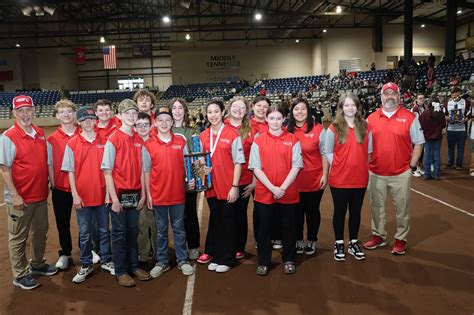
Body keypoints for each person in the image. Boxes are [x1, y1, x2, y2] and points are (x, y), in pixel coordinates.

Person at [0, 95, 58, 290]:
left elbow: (44, 163)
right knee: (18, 237)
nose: (25, 114)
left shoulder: (40, 133)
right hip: (20, 198)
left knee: (40, 232)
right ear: (14, 113)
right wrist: (15, 195)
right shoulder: (8, 136)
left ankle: (38, 264)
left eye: (28, 109)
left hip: (40, 195)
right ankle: (20, 274)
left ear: (34, 110)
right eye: (20, 111)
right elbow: (4, 169)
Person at [363, 83, 425, 255]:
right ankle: (379, 236)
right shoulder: (371, 118)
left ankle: (400, 239)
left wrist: (411, 166)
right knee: (376, 207)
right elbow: (364, 146)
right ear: (381, 97)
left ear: (399, 96)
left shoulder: (410, 117)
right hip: (376, 172)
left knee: (402, 208)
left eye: (393, 94)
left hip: (400, 173)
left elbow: (419, 143)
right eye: (386, 94)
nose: (390, 96)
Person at [101, 99, 151, 287]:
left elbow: (142, 170)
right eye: (127, 113)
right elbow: (107, 171)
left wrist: (144, 195)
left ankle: (134, 266)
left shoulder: (139, 140)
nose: (131, 116)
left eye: (134, 113)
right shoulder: (113, 139)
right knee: (119, 234)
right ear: (119, 116)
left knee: (133, 232)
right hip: (118, 196)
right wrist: (114, 199)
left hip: (135, 194)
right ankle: (121, 270)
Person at [61, 106, 115, 283]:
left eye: (92, 119)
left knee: (103, 231)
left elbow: (109, 170)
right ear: (79, 122)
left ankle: (106, 260)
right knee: (84, 234)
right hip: (83, 197)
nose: (89, 123)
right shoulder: (72, 143)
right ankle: (85, 264)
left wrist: (108, 193)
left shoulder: (105, 141)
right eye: (85, 120)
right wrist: (75, 195)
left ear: (96, 121)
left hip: (101, 196)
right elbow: (70, 171)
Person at [249, 105, 303, 276]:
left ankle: (289, 259)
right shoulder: (258, 141)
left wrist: (282, 188)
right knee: (264, 229)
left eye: (278, 118)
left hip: (288, 194)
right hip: (265, 194)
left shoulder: (293, 140)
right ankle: (264, 261)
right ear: (266, 119)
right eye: (271, 118)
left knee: (288, 228)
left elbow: (296, 166)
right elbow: (256, 168)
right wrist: (272, 188)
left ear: (284, 119)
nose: (275, 121)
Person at [143, 111, 194, 277]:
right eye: (160, 120)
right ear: (155, 123)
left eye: (167, 120)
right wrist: (149, 195)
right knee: (161, 230)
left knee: (179, 229)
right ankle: (162, 261)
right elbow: (146, 171)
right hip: (158, 196)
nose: (164, 123)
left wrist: (190, 180)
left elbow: (188, 165)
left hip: (178, 194)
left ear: (172, 122)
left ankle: (182, 260)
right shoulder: (149, 144)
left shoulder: (180, 141)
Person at [197, 99, 245, 273]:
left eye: (216, 111)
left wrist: (234, 186)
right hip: (212, 187)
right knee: (217, 221)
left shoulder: (232, 134)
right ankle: (217, 256)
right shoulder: (203, 135)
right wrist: (204, 168)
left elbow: (239, 162)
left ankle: (228, 258)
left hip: (228, 186)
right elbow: (201, 161)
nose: (213, 115)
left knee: (228, 222)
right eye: (209, 112)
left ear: (222, 112)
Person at [324, 93, 371, 261]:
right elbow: (328, 151)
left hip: (360, 179)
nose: (350, 108)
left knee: (356, 212)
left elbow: (369, 151)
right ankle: (338, 243)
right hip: (339, 180)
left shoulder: (365, 126)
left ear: (358, 107)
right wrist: (338, 165)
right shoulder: (333, 128)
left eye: (353, 105)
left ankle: (352, 242)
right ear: (341, 108)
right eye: (346, 105)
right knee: (340, 212)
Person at [287, 97, 327, 256]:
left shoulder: (318, 129)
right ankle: (298, 239)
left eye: (303, 109)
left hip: (314, 178)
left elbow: (324, 153)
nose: (300, 112)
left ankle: (311, 239)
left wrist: (325, 174)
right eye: (296, 109)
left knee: (312, 211)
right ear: (292, 112)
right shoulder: (286, 130)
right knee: (295, 212)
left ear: (308, 111)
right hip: (293, 181)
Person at [47, 100, 80, 270]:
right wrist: (54, 184)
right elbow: (50, 164)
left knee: (86, 222)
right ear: (57, 115)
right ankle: (66, 253)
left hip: (82, 188)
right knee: (62, 222)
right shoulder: (51, 139)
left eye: (69, 111)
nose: (66, 114)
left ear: (74, 114)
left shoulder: (83, 133)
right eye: (62, 112)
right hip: (60, 188)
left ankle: (87, 248)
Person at [169, 98, 201, 260]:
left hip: (188, 179)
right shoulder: (164, 128)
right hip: (169, 179)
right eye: (174, 108)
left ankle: (193, 245)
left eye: (180, 108)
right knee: (173, 216)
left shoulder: (192, 130)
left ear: (185, 110)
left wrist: (197, 163)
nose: (177, 111)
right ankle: (177, 247)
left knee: (190, 213)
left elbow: (198, 154)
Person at [224, 96, 256, 259]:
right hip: (223, 179)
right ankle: (226, 244)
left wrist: (254, 182)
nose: (238, 109)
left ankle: (239, 246)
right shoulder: (221, 126)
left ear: (246, 111)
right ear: (229, 108)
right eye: (235, 106)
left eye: (241, 107)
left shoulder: (251, 129)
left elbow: (258, 157)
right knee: (225, 214)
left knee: (240, 213)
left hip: (244, 179)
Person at [134, 112, 157, 266]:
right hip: (136, 190)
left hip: (154, 190)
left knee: (155, 224)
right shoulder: (131, 142)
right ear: (134, 127)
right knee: (141, 224)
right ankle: (142, 254)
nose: (142, 128)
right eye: (139, 125)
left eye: (145, 125)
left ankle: (158, 253)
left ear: (151, 126)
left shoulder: (156, 142)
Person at [419, 98, 446, 180]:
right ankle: (436, 174)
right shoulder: (441, 113)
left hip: (427, 137)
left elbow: (421, 125)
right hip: (437, 137)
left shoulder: (425, 113)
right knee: (436, 155)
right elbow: (444, 125)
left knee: (427, 155)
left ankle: (427, 174)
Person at [445, 87, 467, 169]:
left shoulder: (465, 102)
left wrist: (465, 119)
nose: (454, 94)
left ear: (459, 93)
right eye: (452, 93)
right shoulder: (448, 102)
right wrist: (447, 118)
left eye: (456, 92)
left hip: (461, 129)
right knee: (451, 147)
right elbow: (445, 114)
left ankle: (459, 164)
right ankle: (450, 162)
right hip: (450, 128)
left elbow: (469, 113)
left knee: (460, 147)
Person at [410, 93, 426, 177]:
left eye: (423, 98)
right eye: (420, 98)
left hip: (422, 132)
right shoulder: (415, 109)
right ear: (416, 100)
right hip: (415, 133)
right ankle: (413, 168)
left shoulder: (423, 108)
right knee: (415, 150)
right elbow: (415, 123)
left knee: (422, 151)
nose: (422, 100)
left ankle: (419, 167)